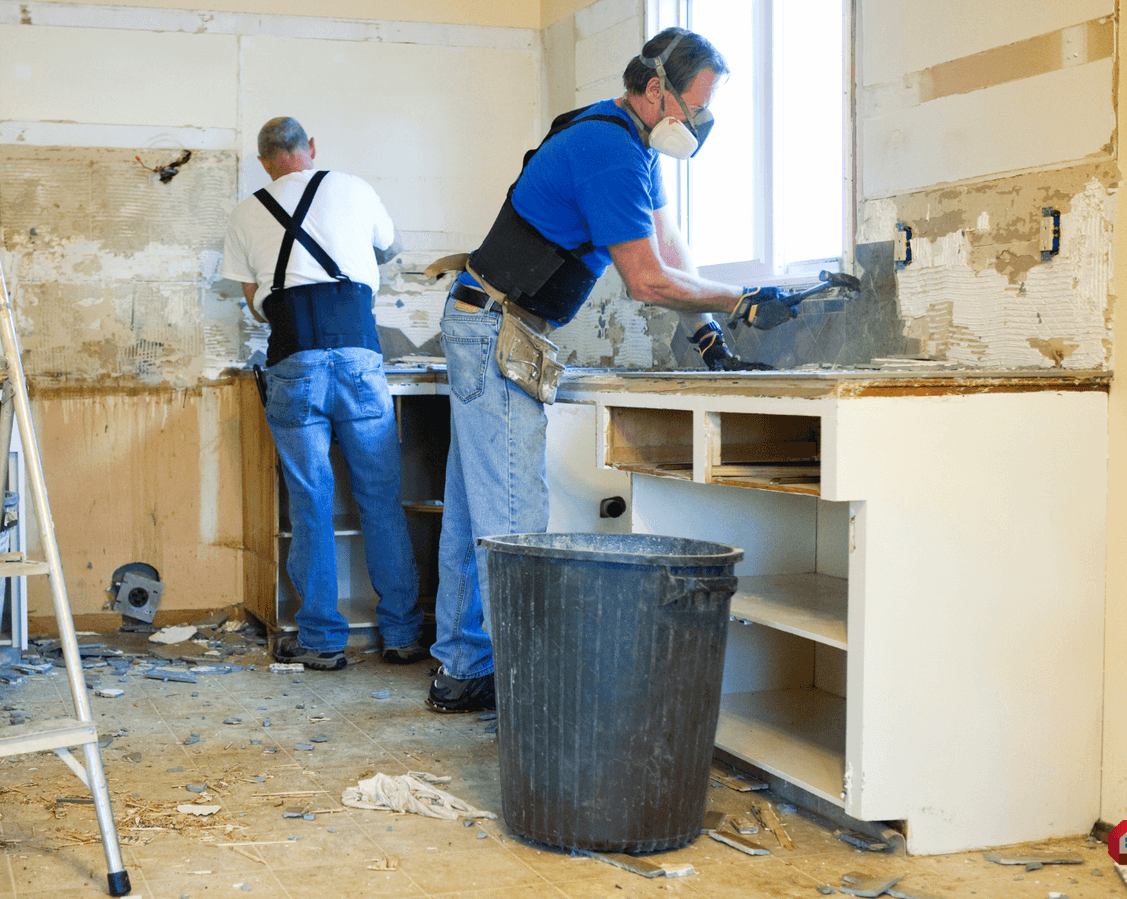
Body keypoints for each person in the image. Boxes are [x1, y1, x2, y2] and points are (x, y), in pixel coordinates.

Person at [424, 28, 804, 712]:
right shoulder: (609, 150)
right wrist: (740, 298)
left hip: (490, 323)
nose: (703, 121)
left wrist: (710, 337)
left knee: (475, 512)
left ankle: (463, 669)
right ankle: (529, 697)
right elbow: (647, 280)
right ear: (656, 90)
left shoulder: (633, 144)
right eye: (698, 105)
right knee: (513, 519)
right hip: (496, 328)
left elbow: (670, 250)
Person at [221, 117, 426, 671]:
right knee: (380, 499)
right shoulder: (353, 187)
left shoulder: (244, 214)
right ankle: (402, 635)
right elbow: (390, 249)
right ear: (310, 147)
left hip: (294, 360)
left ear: (263, 161)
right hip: (359, 355)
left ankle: (321, 641)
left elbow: (256, 307)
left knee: (311, 503)